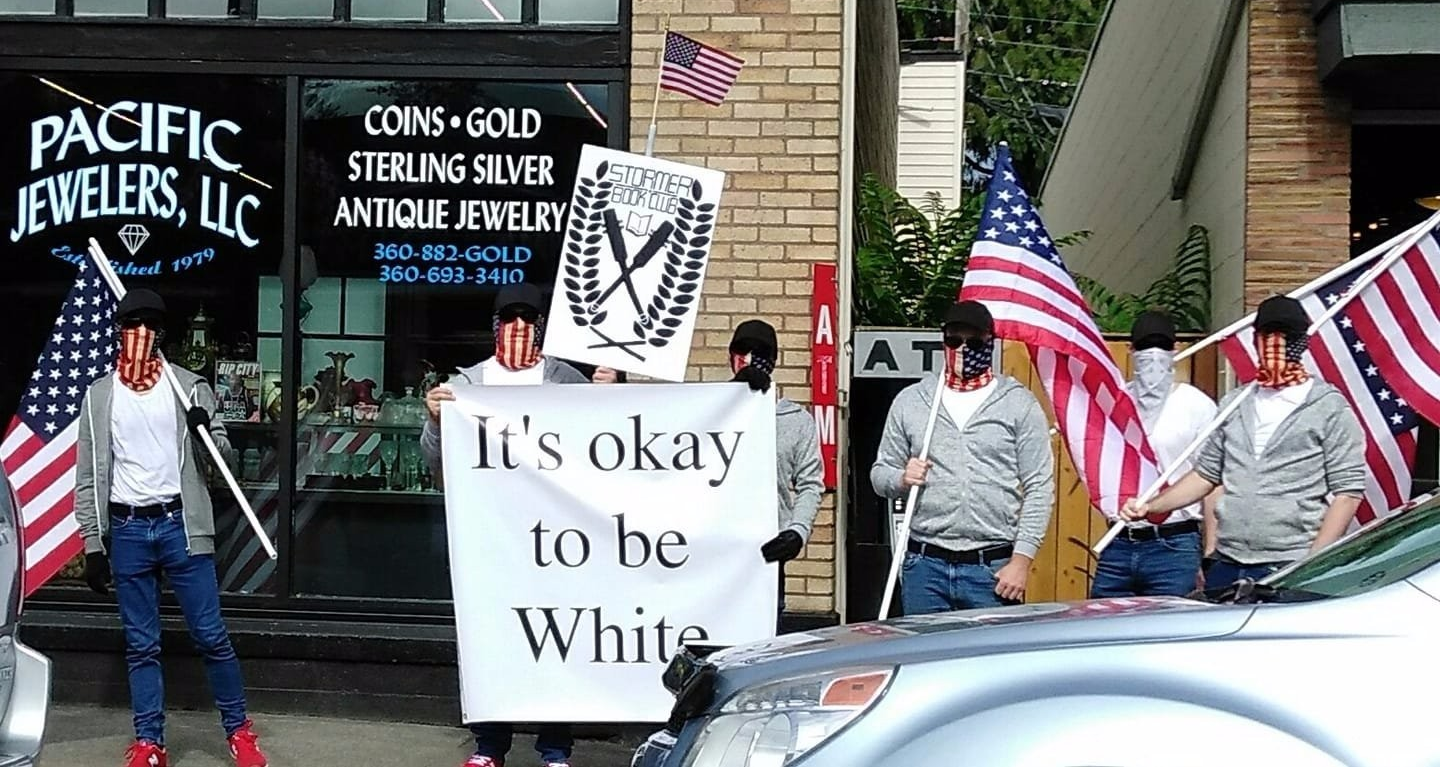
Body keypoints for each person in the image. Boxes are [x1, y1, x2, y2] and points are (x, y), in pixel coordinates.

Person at [73, 289, 269, 767]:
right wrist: (92, 543)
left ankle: (240, 732)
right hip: (130, 529)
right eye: (131, 323)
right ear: (118, 331)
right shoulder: (99, 397)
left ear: (163, 333)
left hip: (181, 525)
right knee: (142, 643)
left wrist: (204, 431)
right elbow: (88, 475)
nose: (139, 332)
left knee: (209, 633)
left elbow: (222, 462)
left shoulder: (188, 386)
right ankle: (149, 741)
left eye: (149, 324)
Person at [420, 282, 588, 767]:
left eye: (528, 319)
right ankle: (490, 744)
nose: (520, 328)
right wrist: (434, 420)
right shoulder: (468, 385)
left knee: (556, 636)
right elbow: (435, 461)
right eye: (511, 318)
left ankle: (555, 747)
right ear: (495, 324)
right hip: (493, 536)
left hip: (556, 538)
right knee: (492, 636)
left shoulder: (567, 382)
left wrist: (607, 393)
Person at [1120, 295, 1366, 590]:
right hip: (1227, 563)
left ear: (1301, 342)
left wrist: (1313, 562)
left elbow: (1347, 492)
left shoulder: (1329, 407)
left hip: (1290, 562)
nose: (1275, 345)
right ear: (1256, 340)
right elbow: (1205, 475)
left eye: (1285, 336)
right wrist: (1151, 506)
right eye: (1267, 336)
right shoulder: (1234, 404)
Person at [870, 300, 1055, 614]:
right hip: (924, 565)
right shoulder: (913, 401)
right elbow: (879, 474)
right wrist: (901, 477)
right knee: (925, 661)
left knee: (991, 663)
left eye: (974, 342)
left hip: (992, 567)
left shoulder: (1018, 404)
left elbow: (1040, 486)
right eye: (954, 340)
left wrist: (1021, 560)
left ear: (989, 343)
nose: (962, 349)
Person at [1091, 311, 1219, 598]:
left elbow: (1212, 481)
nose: (1154, 355)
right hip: (1119, 542)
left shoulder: (1197, 405)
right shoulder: (1116, 403)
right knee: (1104, 632)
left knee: (1170, 634)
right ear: (1131, 350)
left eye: (1162, 346)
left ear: (1174, 351)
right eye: (1146, 346)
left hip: (1175, 543)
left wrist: (1209, 551)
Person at [726, 319, 824, 618]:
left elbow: (811, 483)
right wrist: (728, 399)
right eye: (742, 350)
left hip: (767, 554)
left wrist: (797, 531)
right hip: (716, 551)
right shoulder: (709, 412)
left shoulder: (797, 420)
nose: (750, 357)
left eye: (760, 351)